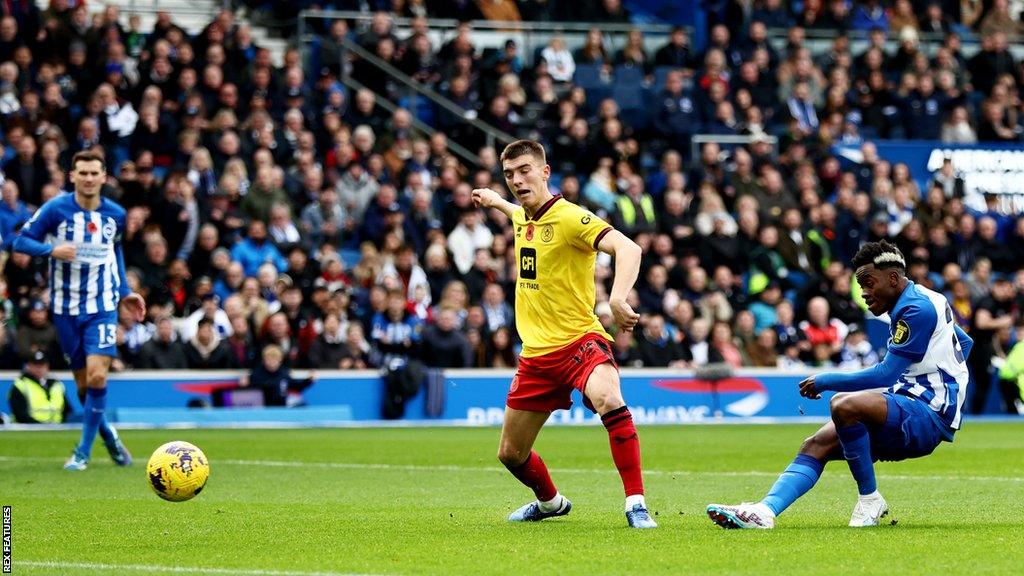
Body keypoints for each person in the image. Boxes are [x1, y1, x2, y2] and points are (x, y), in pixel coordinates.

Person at [707, 241, 973, 529]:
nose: (864, 292)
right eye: (861, 285)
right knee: (817, 444)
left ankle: (869, 499)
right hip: (911, 402)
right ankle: (764, 512)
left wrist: (825, 381)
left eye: (869, 283)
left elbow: (884, 374)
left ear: (893, 278)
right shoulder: (928, 298)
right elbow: (964, 343)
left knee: (844, 404)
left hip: (927, 411)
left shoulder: (915, 309)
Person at [471, 140, 656, 529]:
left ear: (544, 172)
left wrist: (618, 298)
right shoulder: (523, 216)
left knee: (608, 397)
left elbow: (629, 248)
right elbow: (517, 214)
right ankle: (551, 503)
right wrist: (493, 200)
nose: (517, 181)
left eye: (524, 170)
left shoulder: (572, 218)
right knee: (510, 454)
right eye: (508, 175)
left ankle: (636, 504)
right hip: (536, 355)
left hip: (579, 341)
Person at [12, 150, 147, 470]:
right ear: (72, 176)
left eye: (93, 173)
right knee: (86, 386)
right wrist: (51, 249)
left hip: (101, 306)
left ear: (103, 177)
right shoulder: (56, 209)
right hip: (65, 308)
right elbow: (20, 242)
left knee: (99, 376)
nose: (88, 179)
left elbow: (116, 253)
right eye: (82, 173)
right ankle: (110, 438)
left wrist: (125, 292)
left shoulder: (115, 214)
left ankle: (82, 452)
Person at [7, 350, 71, 424]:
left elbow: (67, 411)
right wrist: (42, 427)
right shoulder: (20, 385)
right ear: (28, 366)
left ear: (47, 366)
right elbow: (20, 414)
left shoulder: (57, 385)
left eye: (42, 364)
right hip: (30, 431)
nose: (39, 368)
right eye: (35, 364)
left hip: (57, 429)